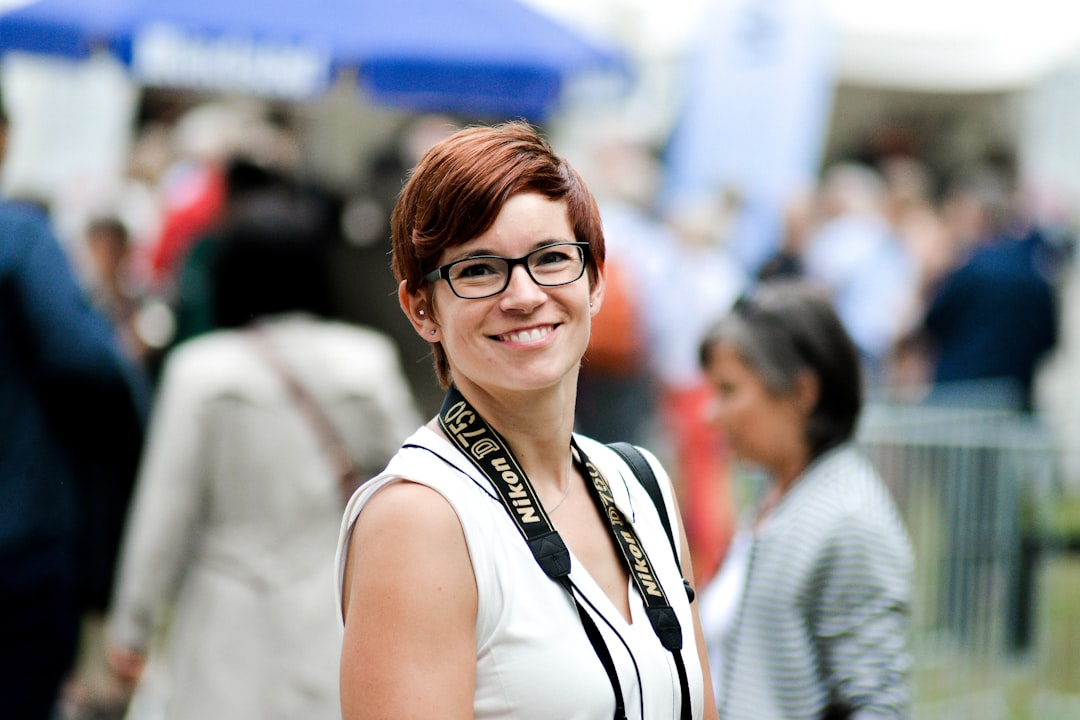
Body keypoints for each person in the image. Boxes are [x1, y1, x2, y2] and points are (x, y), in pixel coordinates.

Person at [336, 122, 717, 720]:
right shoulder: (422, 519)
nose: (523, 294)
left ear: (594, 280)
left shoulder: (640, 485)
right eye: (479, 269)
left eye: (551, 258)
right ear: (421, 309)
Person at [105, 186, 421, 720]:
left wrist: (131, 626)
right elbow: (415, 488)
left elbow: (165, 512)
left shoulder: (199, 371)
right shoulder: (365, 362)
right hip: (332, 608)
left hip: (223, 613)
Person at [696, 279, 913, 719]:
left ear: (801, 393)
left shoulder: (848, 519)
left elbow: (875, 705)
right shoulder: (784, 495)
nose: (711, 414)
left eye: (729, 390)